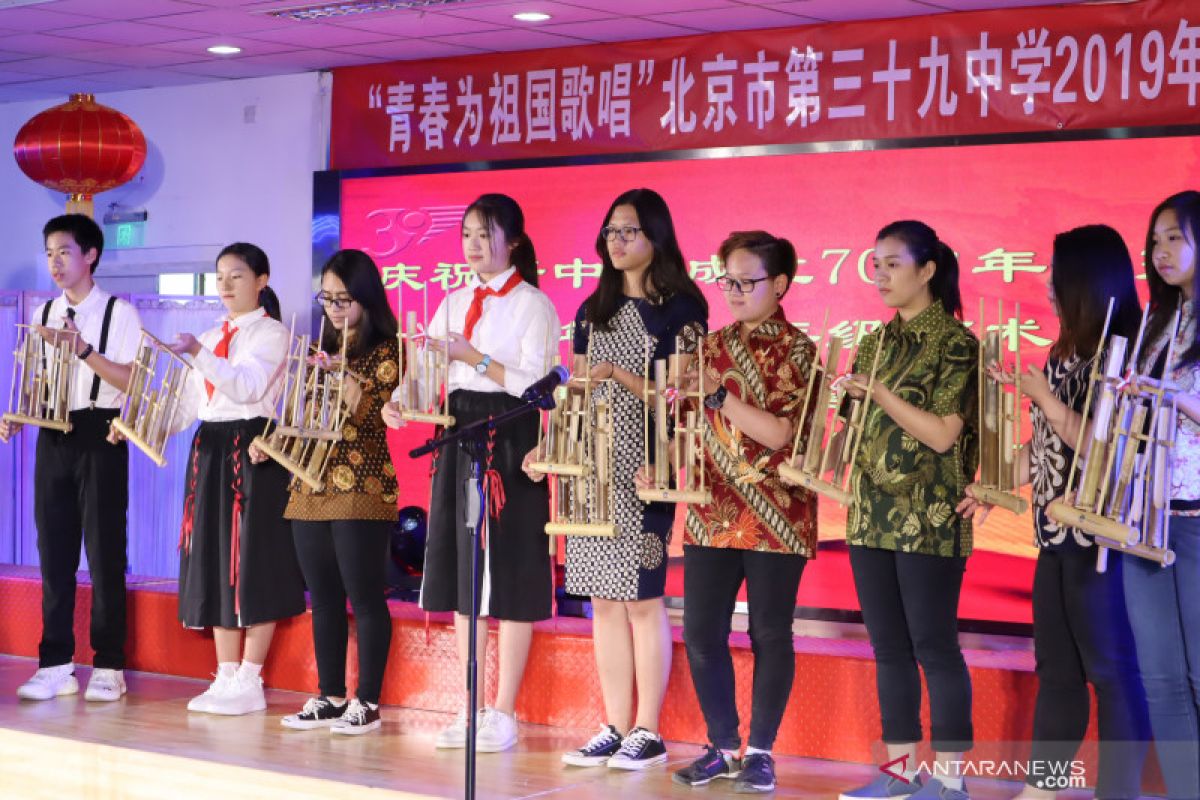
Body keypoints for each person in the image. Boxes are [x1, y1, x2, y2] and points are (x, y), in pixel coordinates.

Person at [960, 225, 1149, 800]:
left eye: (1055, 271)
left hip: (1104, 545)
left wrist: (1042, 397)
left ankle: (1119, 791)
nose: (1045, 283)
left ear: (1085, 280)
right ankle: (1043, 788)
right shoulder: (1063, 355)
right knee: (1057, 672)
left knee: (1113, 676)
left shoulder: (1126, 356)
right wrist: (989, 485)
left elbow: (1107, 451)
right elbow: (1043, 450)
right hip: (1055, 539)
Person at [383, 193, 559, 753]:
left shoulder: (534, 304)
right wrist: (400, 399)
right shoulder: (453, 300)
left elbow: (536, 384)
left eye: (485, 235)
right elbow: (428, 367)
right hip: (458, 432)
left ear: (514, 241)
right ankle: (469, 704)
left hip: (510, 432)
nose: (474, 245)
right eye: (466, 236)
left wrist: (473, 357)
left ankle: (503, 710)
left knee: (508, 569)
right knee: (465, 571)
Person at [543, 188, 708, 771]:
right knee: (603, 602)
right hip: (593, 465)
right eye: (611, 231)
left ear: (655, 237)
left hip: (647, 463)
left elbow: (682, 397)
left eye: (629, 231)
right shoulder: (593, 311)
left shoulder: (683, 309)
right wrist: (555, 447)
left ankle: (648, 729)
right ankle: (613, 723)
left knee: (641, 600)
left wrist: (622, 377)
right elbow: (581, 392)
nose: (617, 241)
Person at [833, 221, 977, 800]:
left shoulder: (958, 344)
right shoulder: (875, 341)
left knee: (934, 647)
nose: (881, 275)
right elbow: (849, 429)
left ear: (928, 269)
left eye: (893, 263)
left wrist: (880, 395)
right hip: (869, 515)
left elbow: (943, 436)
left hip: (931, 518)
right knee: (887, 648)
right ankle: (896, 776)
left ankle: (950, 781)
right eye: (875, 264)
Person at [669, 231, 818, 793]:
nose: (733, 291)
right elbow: (692, 428)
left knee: (769, 633)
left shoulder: (799, 350)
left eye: (746, 281)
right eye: (727, 281)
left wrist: (716, 396)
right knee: (703, 631)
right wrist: (668, 468)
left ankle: (760, 751)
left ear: (780, 285)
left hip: (777, 509)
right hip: (713, 506)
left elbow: (779, 433)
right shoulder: (711, 345)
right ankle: (721, 744)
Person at [166, 242, 305, 715]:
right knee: (212, 554)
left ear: (262, 281)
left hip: (252, 448)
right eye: (220, 276)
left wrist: (199, 353)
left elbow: (245, 386)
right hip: (209, 447)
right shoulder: (209, 334)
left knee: (251, 558)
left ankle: (251, 676)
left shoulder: (271, 334)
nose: (225, 285)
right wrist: (140, 425)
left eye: (237, 276)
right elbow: (187, 407)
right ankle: (225, 675)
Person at [8, 214, 141, 703]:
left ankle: (108, 664)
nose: (55, 262)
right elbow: (37, 380)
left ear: (91, 256)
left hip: (100, 432)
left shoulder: (119, 313)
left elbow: (132, 380)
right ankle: (56, 662)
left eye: (64, 251)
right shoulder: (42, 313)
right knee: (54, 552)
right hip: (53, 431)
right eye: (49, 253)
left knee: (106, 552)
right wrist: (20, 416)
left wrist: (82, 348)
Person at [279, 249, 400, 735]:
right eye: (326, 298)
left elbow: (365, 409)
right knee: (323, 597)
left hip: (363, 483)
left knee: (365, 596)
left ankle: (366, 699)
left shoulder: (388, 349)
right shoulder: (318, 348)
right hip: (310, 481)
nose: (333, 308)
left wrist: (337, 372)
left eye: (343, 299)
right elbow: (303, 415)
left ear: (366, 298)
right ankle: (329, 694)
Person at [1123, 191, 1200, 800]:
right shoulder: (1157, 323)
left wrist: (1171, 399)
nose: (1161, 251)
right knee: (1161, 679)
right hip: (1144, 517)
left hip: (1198, 522)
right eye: (1155, 241)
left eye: (1174, 237)